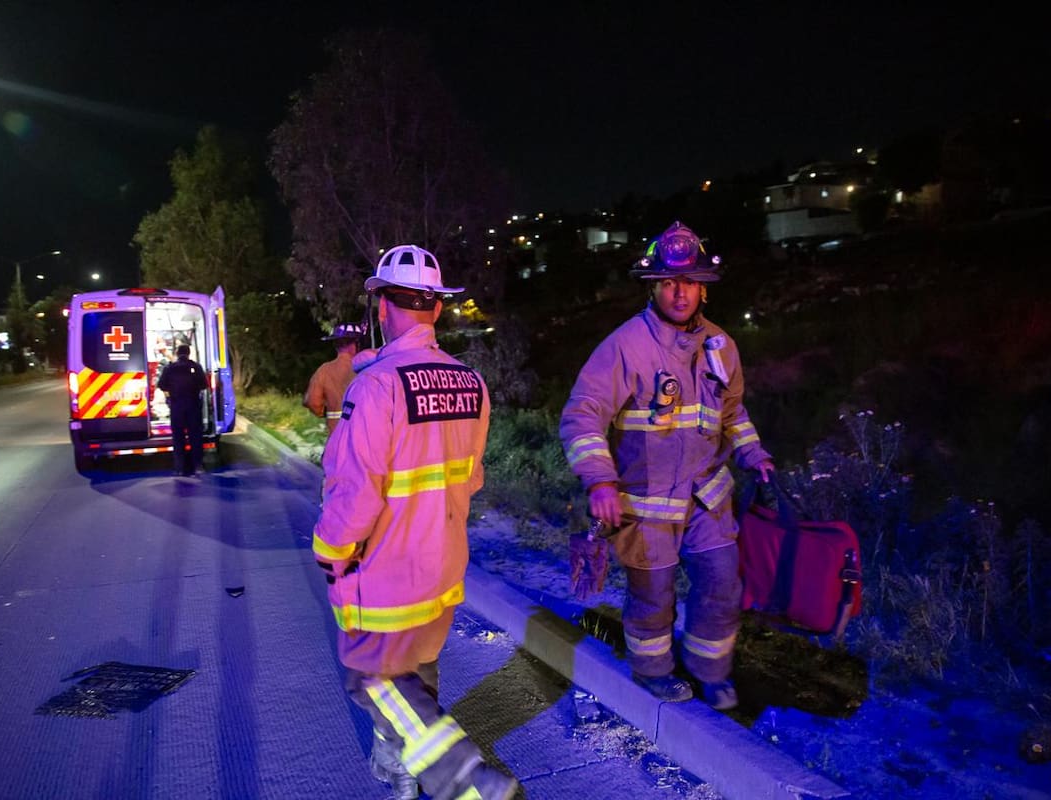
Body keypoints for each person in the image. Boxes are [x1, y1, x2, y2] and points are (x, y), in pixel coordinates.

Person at [311, 245, 517, 800]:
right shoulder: (471, 383)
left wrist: (330, 550)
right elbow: (470, 477)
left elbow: (356, 495)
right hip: (442, 566)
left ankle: (463, 776)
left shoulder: (376, 386)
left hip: (385, 573)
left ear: (381, 306)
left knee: (372, 676)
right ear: (438, 308)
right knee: (416, 672)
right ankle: (401, 768)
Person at [559, 221, 774, 711]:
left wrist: (755, 455)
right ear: (653, 286)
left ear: (704, 288)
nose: (680, 293)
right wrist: (600, 480)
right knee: (653, 596)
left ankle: (709, 670)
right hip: (646, 504)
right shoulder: (625, 346)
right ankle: (653, 670)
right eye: (670, 283)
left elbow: (733, 413)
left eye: (690, 282)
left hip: (708, 497)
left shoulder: (721, 346)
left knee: (722, 585)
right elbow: (582, 414)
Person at [302, 322, 364, 440]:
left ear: (335, 344)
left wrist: (325, 411)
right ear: (356, 344)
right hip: (363, 438)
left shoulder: (324, 370)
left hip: (336, 438)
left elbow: (312, 402)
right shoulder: (368, 368)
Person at [157, 343, 209, 476]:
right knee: (195, 437)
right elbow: (204, 385)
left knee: (178, 438)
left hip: (177, 407)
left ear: (177, 353)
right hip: (193, 406)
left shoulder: (170, 368)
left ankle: (179, 468)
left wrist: (172, 392)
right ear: (188, 353)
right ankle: (198, 466)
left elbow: (161, 385)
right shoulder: (196, 367)